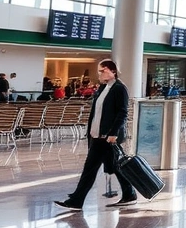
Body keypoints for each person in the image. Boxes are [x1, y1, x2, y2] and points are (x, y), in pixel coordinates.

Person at [54, 60, 137, 211]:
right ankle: (128, 193)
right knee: (109, 166)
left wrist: (113, 133)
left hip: (108, 137)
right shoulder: (103, 88)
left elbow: (122, 113)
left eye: (102, 70)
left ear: (112, 71)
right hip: (98, 136)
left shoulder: (119, 88)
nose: (99, 74)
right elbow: (97, 113)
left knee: (97, 168)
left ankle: (77, 200)